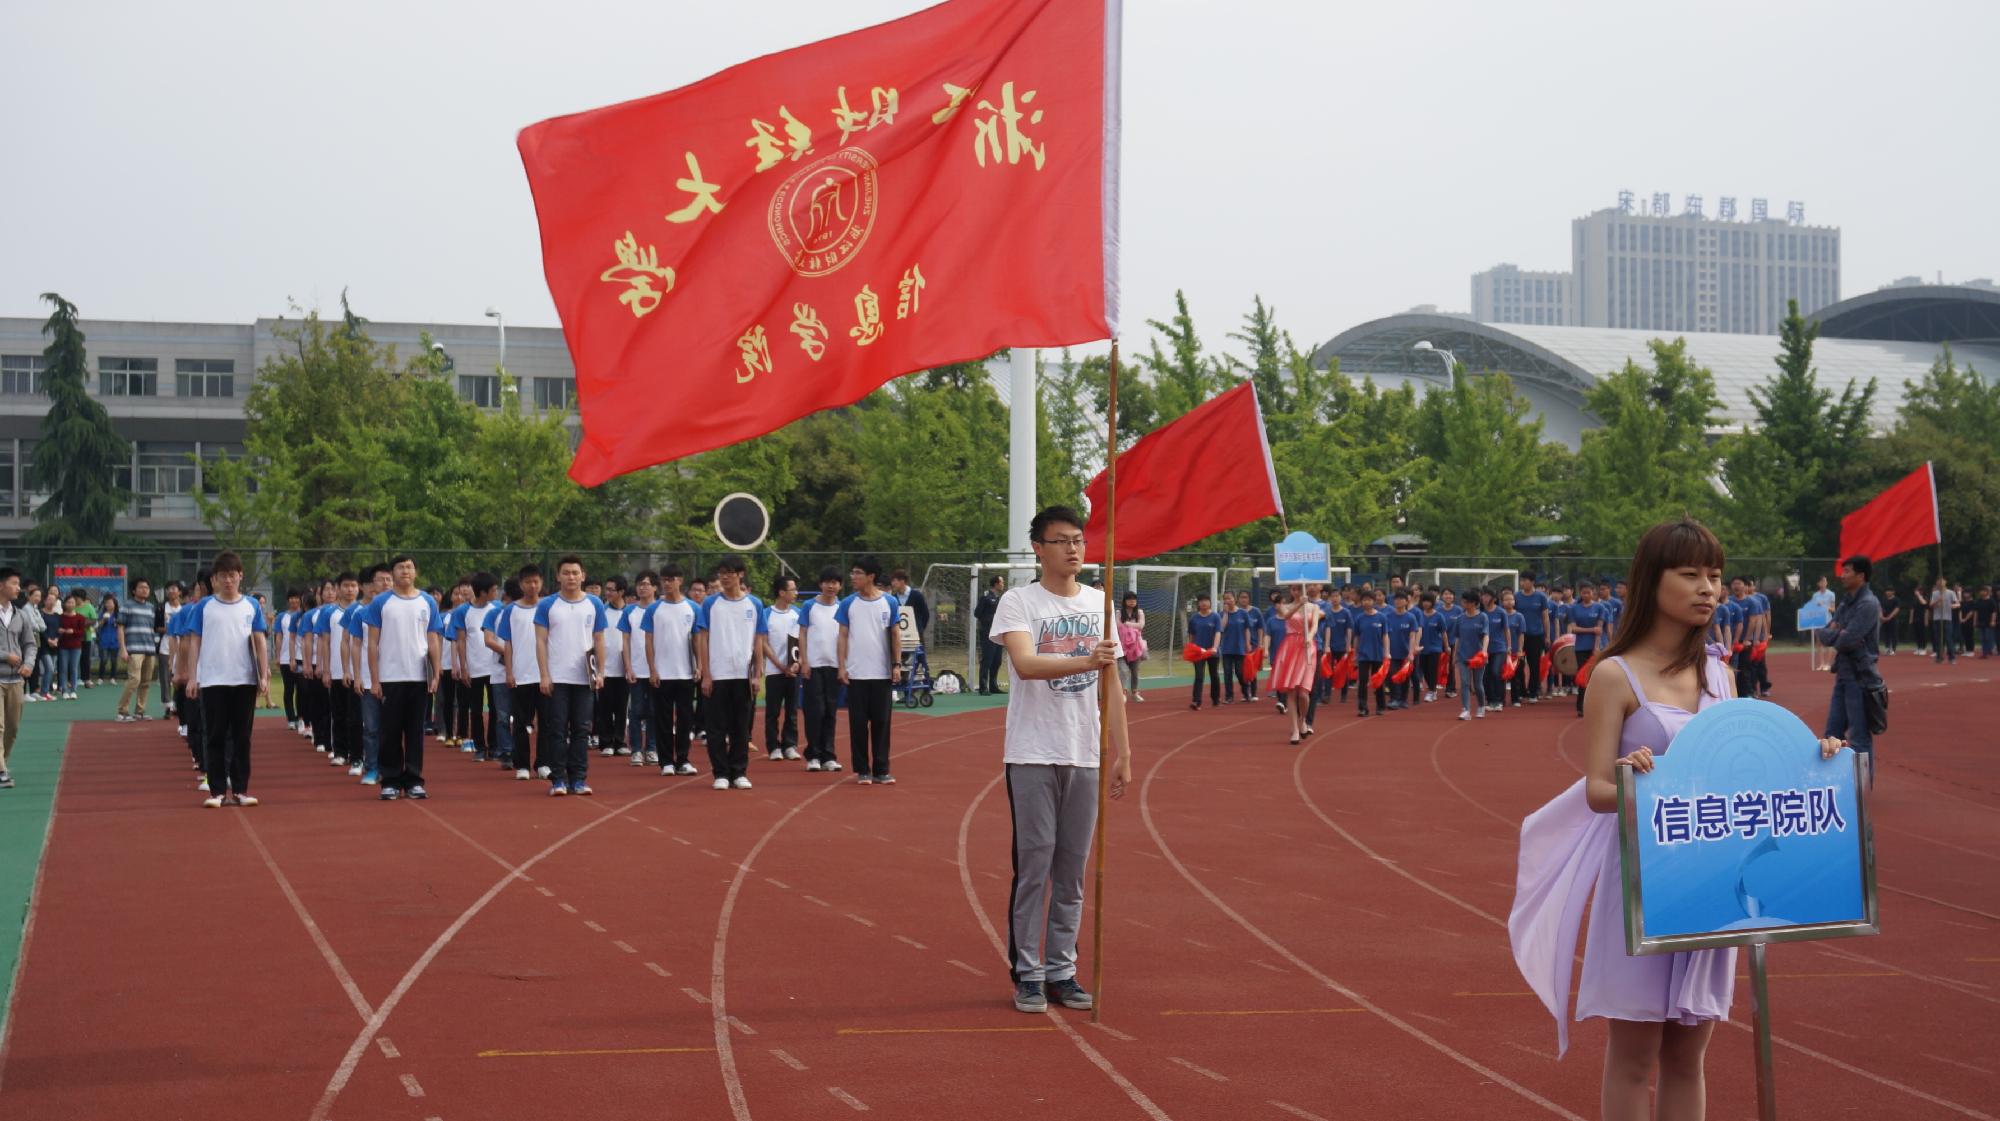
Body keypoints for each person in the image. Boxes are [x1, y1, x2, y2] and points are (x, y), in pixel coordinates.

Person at [1511, 519, 1844, 1121]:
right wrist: (1635, 779)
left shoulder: (1720, 672)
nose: (1708, 588)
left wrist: (1814, 762)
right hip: (1644, 881)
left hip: (1714, 880)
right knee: (1635, 1054)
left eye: (1714, 575)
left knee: (1689, 1054)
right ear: (1651, 580)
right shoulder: (1615, 674)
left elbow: (1744, 775)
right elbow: (1597, 790)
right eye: (1690, 574)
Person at [988, 506, 1130, 1015]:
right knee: (1034, 866)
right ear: (1038, 548)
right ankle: (1028, 973)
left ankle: (1062, 970)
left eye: (1079, 540)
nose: (1074, 549)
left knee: (1072, 871)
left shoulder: (1099, 602)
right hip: (1032, 753)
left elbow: (1112, 683)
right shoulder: (1018, 601)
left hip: (1083, 753)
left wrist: (1122, 752)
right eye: (1062, 540)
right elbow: (1025, 664)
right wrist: (1085, 660)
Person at [183, 552, 271, 808]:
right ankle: (217, 791)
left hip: (244, 680)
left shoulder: (251, 605)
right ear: (215, 579)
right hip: (213, 680)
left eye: (232, 575)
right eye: (223, 576)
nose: (228, 580)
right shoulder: (204, 606)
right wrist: (192, 677)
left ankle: (241, 789)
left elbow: (260, 641)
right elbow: (194, 642)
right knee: (215, 736)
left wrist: (264, 673)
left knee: (242, 737)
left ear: (240, 576)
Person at [367, 556, 444, 801]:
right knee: (390, 731)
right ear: (393, 573)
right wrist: (375, 680)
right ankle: (390, 781)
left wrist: (436, 672)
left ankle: (414, 780)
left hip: (419, 677)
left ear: (415, 572)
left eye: (409, 567)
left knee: (415, 731)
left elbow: (433, 640)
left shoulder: (427, 601)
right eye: (400, 567)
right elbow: (372, 643)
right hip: (390, 677)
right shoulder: (381, 602)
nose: (405, 571)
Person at [534, 556, 608, 797]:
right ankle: (558, 779)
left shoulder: (594, 604)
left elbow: (599, 639)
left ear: (582, 576)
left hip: (584, 677)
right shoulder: (547, 605)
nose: (571, 577)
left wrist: (601, 672)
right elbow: (541, 641)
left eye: (575, 573)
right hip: (557, 677)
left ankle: (578, 779)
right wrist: (544, 675)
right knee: (557, 729)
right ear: (558, 576)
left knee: (581, 730)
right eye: (566, 573)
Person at [1818, 555, 1882, 788]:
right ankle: (1832, 785)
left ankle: (1861, 790)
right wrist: (1840, 632)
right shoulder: (1846, 602)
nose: (1842, 576)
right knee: (1832, 733)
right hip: (1844, 675)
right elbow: (1825, 634)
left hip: (1861, 677)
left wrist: (1839, 632)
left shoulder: (1868, 604)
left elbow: (1848, 638)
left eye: (1847, 571)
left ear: (1861, 576)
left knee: (1859, 736)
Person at [836, 555, 901, 785]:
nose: (853, 577)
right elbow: (842, 636)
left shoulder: (889, 602)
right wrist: (842, 666)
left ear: (871, 576)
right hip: (857, 674)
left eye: (858, 573)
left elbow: (895, 634)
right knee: (858, 723)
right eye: (852, 572)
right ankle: (862, 769)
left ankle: (881, 769)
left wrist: (896, 664)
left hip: (881, 673)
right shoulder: (848, 603)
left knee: (882, 723)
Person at [642, 564, 702, 777]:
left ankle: (683, 759)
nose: (666, 583)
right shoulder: (653, 609)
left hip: (685, 673)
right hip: (662, 674)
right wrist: (652, 669)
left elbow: (697, 639)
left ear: (680, 580)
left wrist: (699, 665)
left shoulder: (693, 608)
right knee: (663, 720)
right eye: (664, 580)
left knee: (685, 719)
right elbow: (648, 641)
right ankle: (666, 761)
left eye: (671, 579)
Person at [495, 565, 548, 782]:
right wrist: (509, 671)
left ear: (541, 583)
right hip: (521, 674)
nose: (532, 586)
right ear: (521, 584)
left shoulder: (548, 607)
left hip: (545, 675)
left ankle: (543, 763)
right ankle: (523, 765)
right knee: (520, 723)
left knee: (547, 722)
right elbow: (507, 644)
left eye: (536, 581)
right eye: (528, 582)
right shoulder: (510, 610)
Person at [758, 574, 803, 761]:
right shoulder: (766, 614)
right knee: (773, 712)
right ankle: (773, 747)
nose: (796, 593)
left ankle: (790, 745)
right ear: (781, 592)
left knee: (792, 711)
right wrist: (780, 665)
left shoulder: (798, 613)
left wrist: (798, 662)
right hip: (774, 671)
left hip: (794, 670)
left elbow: (803, 640)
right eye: (793, 590)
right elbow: (763, 642)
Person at [1267, 586, 1319, 744]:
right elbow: (1286, 616)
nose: (1297, 592)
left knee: (1304, 692)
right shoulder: (1285, 606)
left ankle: (1303, 719)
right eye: (1294, 589)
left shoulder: (1314, 607)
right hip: (1290, 646)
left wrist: (1309, 636)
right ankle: (1295, 728)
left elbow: (1315, 626)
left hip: (1307, 647)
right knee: (1291, 691)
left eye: (1299, 589)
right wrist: (1299, 604)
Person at [619, 571, 658, 767]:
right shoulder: (629, 611)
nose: (642, 588)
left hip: (657, 670)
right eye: (639, 584)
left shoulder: (661, 609)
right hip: (636, 669)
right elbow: (625, 641)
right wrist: (628, 667)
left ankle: (651, 748)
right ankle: (635, 749)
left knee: (654, 710)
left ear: (655, 587)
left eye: (646, 584)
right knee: (635, 710)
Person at [0, 567, 34, 789]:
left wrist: (28, 663)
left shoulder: (21, 615)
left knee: (12, 728)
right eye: (14, 583)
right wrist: (5, 656)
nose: (18, 588)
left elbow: (30, 644)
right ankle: (1, 771)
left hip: (16, 681)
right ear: (1, 585)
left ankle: (2, 763)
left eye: (18, 584)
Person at [595, 576, 630, 759]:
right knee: (605, 707)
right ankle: (606, 742)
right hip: (605, 669)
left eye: (611, 589)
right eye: (606, 589)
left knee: (622, 707)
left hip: (625, 668)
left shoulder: (629, 612)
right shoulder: (601, 611)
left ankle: (620, 741)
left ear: (621, 592)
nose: (607, 592)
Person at [114, 578, 159, 721]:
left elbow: (152, 628)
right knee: (134, 680)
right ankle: (122, 712)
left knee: (146, 682)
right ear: (134, 590)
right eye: (141, 587)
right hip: (134, 649)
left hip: (149, 648)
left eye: (147, 587)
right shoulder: (127, 605)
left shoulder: (151, 607)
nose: (145, 590)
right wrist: (123, 649)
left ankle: (140, 712)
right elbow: (120, 628)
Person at [1568, 583, 1606, 717]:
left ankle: (1596, 706)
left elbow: (1599, 630)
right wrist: (1591, 630)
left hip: (1595, 647)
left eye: (1588, 592)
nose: (1586, 595)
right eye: (1583, 593)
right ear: (1580, 593)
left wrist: (1596, 647)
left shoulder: (1599, 607)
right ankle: (1581, 707)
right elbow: (1573, 628)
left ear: (1593, 593)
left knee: (1595, 677)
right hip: (1580, 647)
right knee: (1583, 676)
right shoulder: (1574, 608)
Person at [1450, 592, 1489, 721]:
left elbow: (1486, 635)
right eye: (1463, 601)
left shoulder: (1482, 617)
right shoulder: (1460, 618)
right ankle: (1466, 710)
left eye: (1466, 601)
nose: (1463, 604)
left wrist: (1484, 651)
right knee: (1465, 683)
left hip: (1478, 656)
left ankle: (1481, 706)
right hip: (1463, 656)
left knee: (1477, 684)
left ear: (1474, 603)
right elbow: (1457, 638)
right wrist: (1454, 655)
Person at [1351, 590, 1388, 717]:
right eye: (1364, 600)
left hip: (1378, 653)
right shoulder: (1359, 618)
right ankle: (1363, 708)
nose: (1367, 602)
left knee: (1378, 681)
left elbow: (1385, 636)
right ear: (1361, 602)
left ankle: (1380, 706)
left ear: (1374, 601)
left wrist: (1387, 652)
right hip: (1363, 654)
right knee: (1362, 681)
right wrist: (1355, 653)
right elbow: (1356, 637)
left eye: (1369, 600)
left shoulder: (1381, 617)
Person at [1517, 574, 1550, 702]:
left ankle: (1533, 692)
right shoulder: (1516, 596)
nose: (1522, 583)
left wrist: (1547, 636)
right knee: (1519, 664)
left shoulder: (1541, 597)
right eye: (1521, 581)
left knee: (1534, 665)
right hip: (1520, 636)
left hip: (1536, 635)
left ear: (1532, 582)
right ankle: (1521, 690)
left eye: (1525, 580)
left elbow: (1545, 617)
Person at [1186, 594, 1222, 710]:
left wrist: (1215, 648)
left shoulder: (1215, 617)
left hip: (1212, 651)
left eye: (1206, 600)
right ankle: (1196, 701)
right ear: (1198, 604)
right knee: (1199, 675)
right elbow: (1191, 635)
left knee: (1214, 675)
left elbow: (1218, 633)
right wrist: (1191, 649)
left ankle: (1215, 699)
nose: (1204, 603)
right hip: (1198, 652)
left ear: (1210, 602)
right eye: (1201, 601)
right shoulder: (1194, 618)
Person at [974, 575, 1006, 695]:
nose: (1003, 584)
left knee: (997, 660)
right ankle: (983, 687)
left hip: (998, 632)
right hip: (988, 632)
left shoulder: (1000, 598)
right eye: (1001, 582)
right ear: (996, 584)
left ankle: (993, 686)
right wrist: (989, 620)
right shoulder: (986, 596)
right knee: (987, 659)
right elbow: (977, 613)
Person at [1115, 590, 1145, 702]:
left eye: (1134, 599)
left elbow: (1141, 625)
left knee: (1135, 671)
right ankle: (1123, 692)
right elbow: (1118, 625)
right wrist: (1133, 626)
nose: (1132, 601)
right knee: (1123, 670)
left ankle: (1135, 693)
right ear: (1125, 601)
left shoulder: (1139, 612)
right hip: (1122, 646)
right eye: (1129, 599)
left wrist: (1127, 624)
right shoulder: (1119, 613)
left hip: (1135, 646)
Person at [56, 594, 87, 700]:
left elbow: (82, 632)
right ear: (65, 604)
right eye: (68, 602)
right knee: (63, 668)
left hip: (76, 647)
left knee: (74, 668)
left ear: (75, 604)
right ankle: (64, 690)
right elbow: (56, 630)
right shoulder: (60, 617)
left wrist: (73, 631)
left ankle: (73, 690)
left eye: (72, 602)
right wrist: (60, 631)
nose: (70, 604)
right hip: (63, 646)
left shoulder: (80, 617)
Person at [888, 569, 929, 646]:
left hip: (916, 636)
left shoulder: (917, 595)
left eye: (894, 581)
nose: (892, 584)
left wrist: (919, 629)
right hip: (899, 636)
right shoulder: (893, 598)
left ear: (902, 581)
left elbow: (925, 614)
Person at [1927, 576, 1958, 664]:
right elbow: (1931, 605)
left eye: (1942, 581)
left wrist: (1953, 606)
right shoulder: (1935, 593)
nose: (1940, 583)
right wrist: (1937, 601)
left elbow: (1958, 604)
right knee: (1938, 639)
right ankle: (1939, 657)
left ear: (1945, 582)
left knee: (1948, 638)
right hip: (1937, 618)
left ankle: (1952, 657)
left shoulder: (1951, 592)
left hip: (1947, 619)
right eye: (1938, 581)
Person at [95, 594, 122, 685]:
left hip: (115, 640)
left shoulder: (118, 614)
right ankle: (100, 678)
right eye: (107, 603)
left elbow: (122, 626)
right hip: (104, 640)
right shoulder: (102, 614)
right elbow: (97, 626)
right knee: (104, 659)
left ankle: (113, 678)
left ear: (115, 604)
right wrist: (103, 620)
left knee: (114, 660)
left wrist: (117, 623)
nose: (108, 605)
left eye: (110, 603)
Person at [1976, 585, 1998, 659]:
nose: (1982, 592)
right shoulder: (1979, 600)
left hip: (1988, 622)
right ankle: (1984, 652)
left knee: (1988, 637)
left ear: (1987, 592)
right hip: (1981, 621)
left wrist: (1993, 621)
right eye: (1981, 591)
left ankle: (1989, 650)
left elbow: (1994, 612)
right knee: (1982, 638)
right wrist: (1975, 621)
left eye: (1984, 591)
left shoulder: (1991, 601)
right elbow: (1976, 611)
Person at [1878, 584, 1900, 655]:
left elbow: (1896, 609)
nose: (1888, 592)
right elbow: (1880, 608)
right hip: (1884, 619)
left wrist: (1889, 617)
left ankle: (1893, 649)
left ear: (1893, 592)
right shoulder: (1883, 599)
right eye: (1887, 591)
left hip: (1893, 619)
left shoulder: (1896, 599)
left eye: (1889, 591)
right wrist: (1881, 616)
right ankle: (1887, 648)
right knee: (1886, 634)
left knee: (1893, 634)